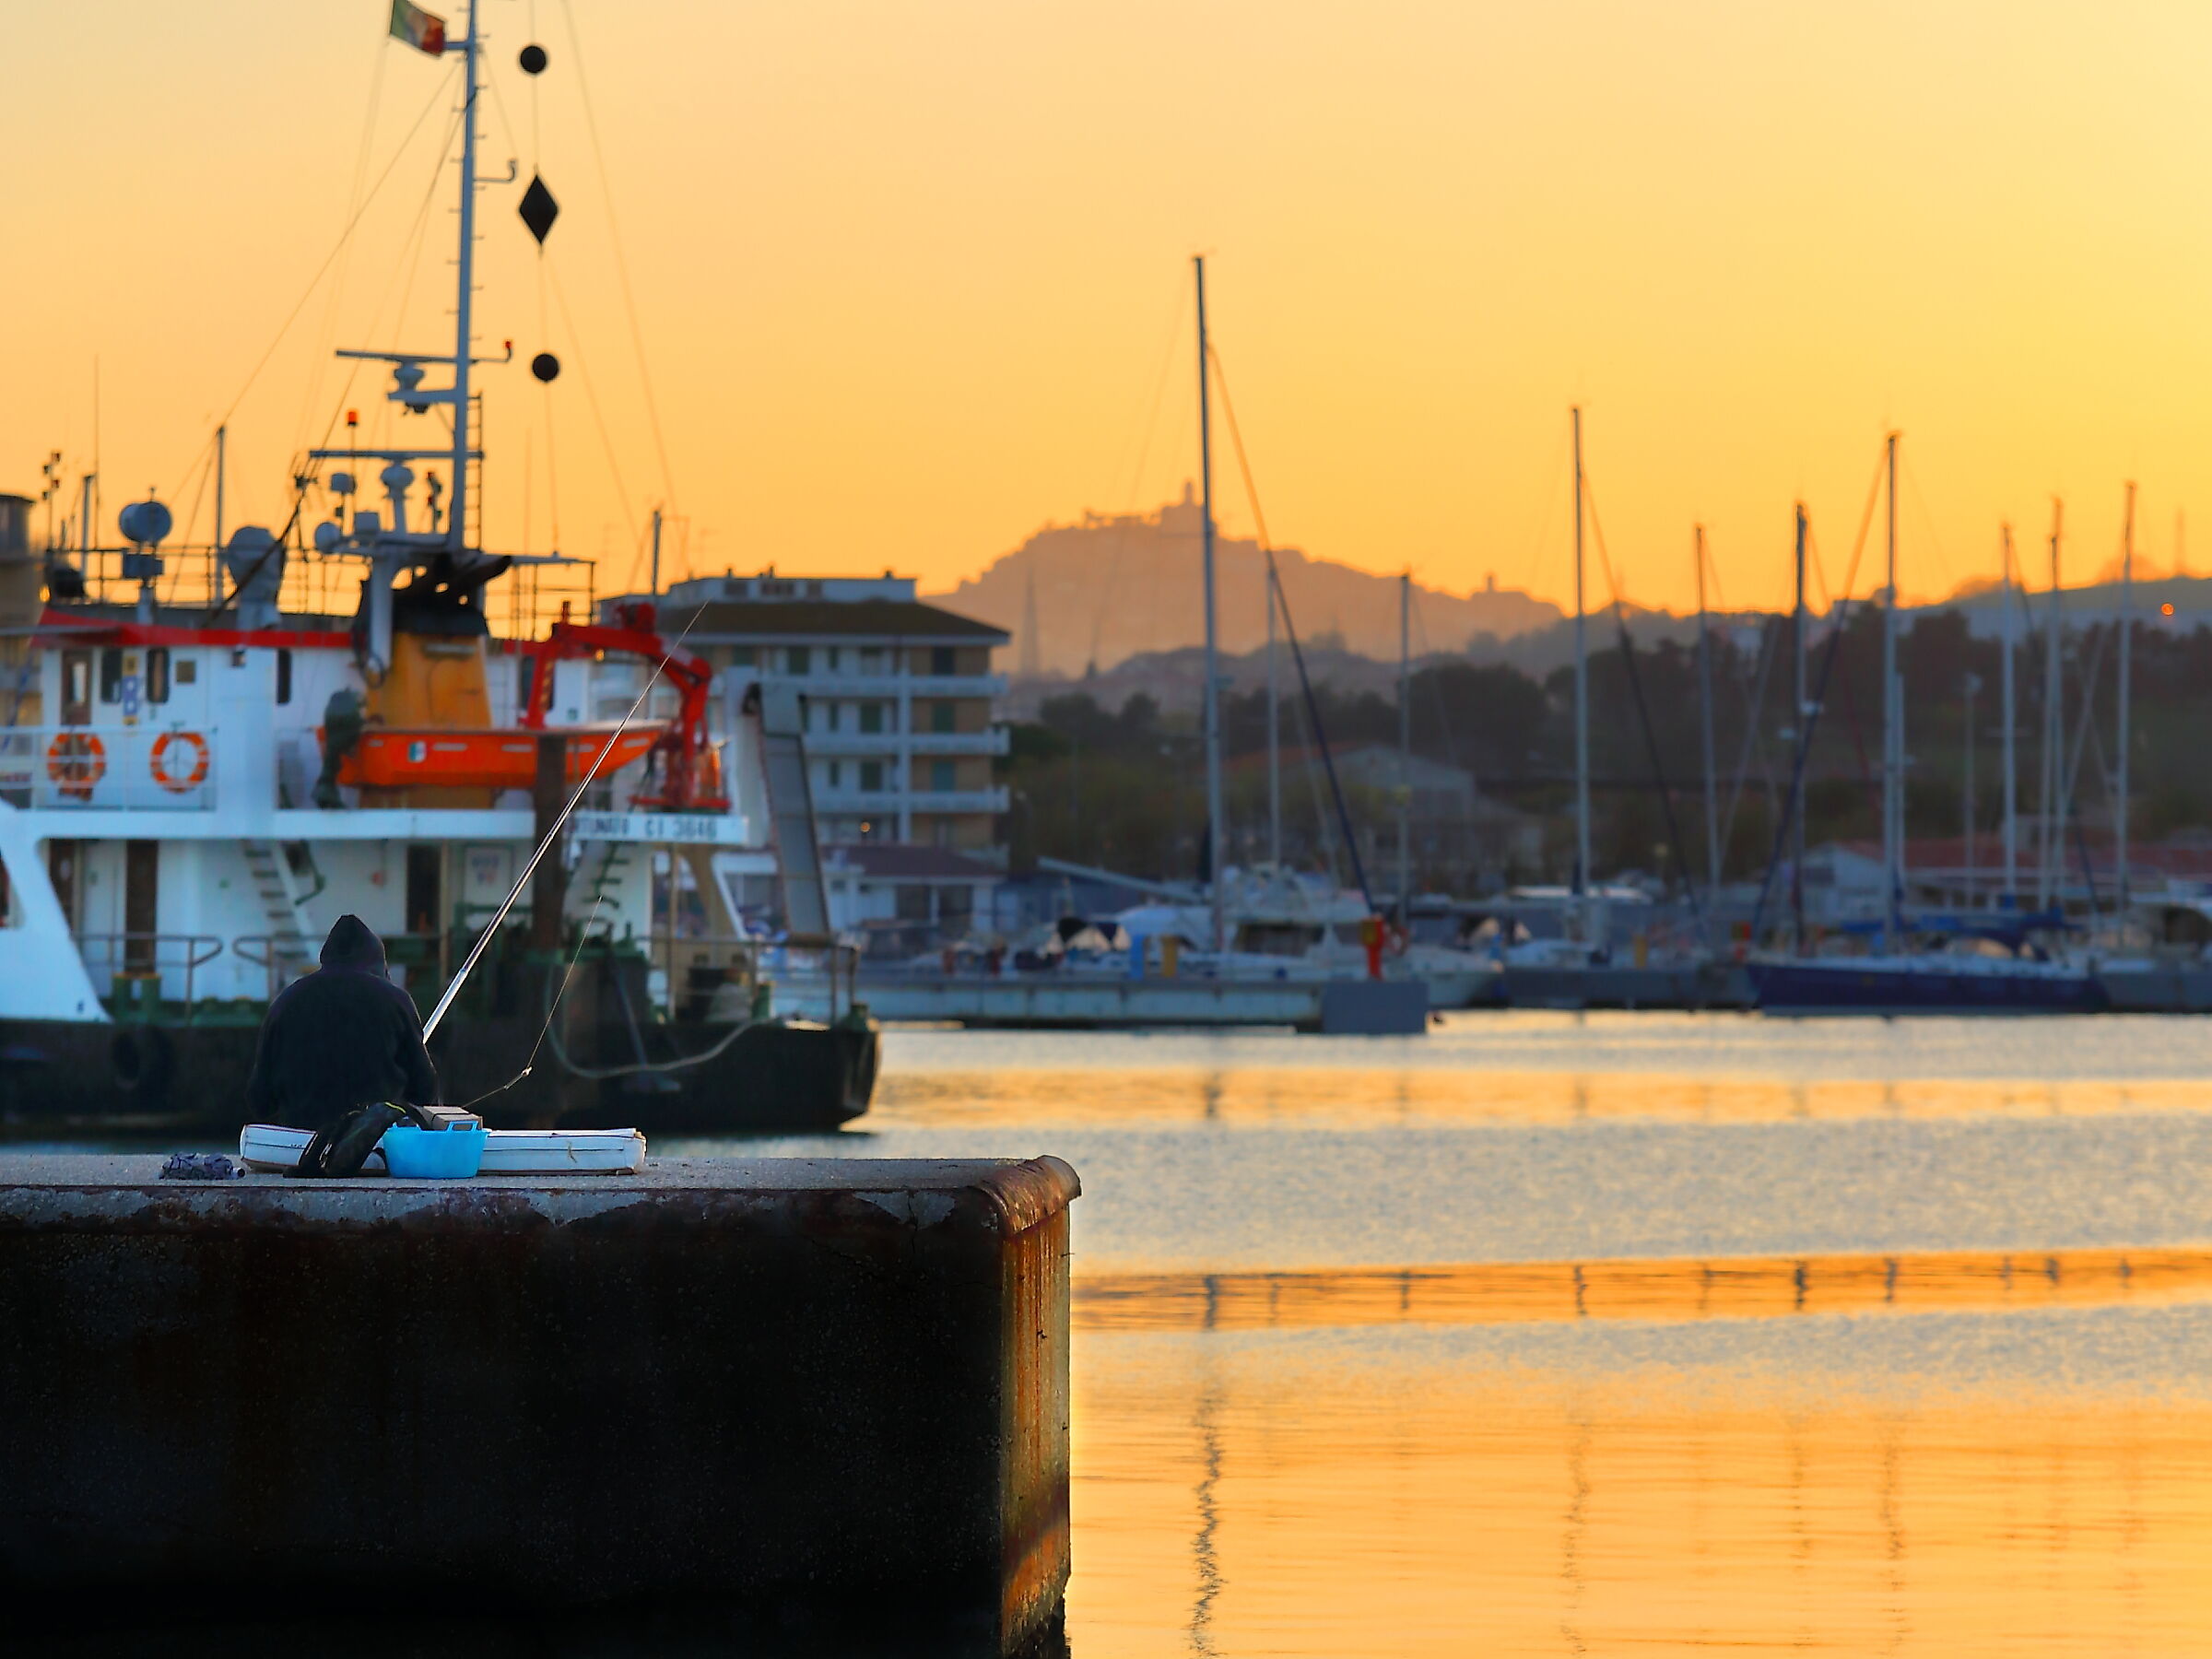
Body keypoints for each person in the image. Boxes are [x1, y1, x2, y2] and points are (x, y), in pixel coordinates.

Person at [244, 915, 439, 1130]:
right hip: (373, 1142)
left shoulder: (285, 1001)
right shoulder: (397, 1001)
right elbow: (425, 1091)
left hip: (301, 1143)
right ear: (378, 963)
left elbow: (260, 1100)